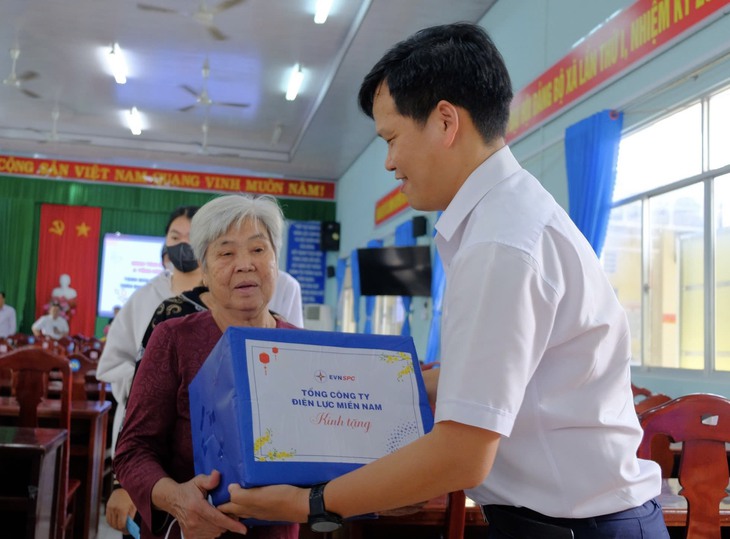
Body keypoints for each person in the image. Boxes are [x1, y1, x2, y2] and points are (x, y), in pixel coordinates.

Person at [217, 23, 669, 539]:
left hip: (577, 528)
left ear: (445, 121)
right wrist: (350, 382)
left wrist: (309, 503)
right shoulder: (508, 219)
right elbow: (500, 380)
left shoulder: (501, 243)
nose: (389, 162)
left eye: (392, 139)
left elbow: (461, 455)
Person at [114, 194, 299, 539]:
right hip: (188, 529)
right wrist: (177, 499)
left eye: (258, 249)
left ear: (276, 260)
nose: (245, 264)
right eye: (226, 253)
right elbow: (133, 450)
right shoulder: (173, 338)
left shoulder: (301, 347)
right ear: (205, 269)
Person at [96, 205, 201, 536]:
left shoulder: (221, 297)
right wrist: (153, 383)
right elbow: (112, 363)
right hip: (147, 431)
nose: (183, 245)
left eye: (192, 237)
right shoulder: (145, 297)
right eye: (175, 237)